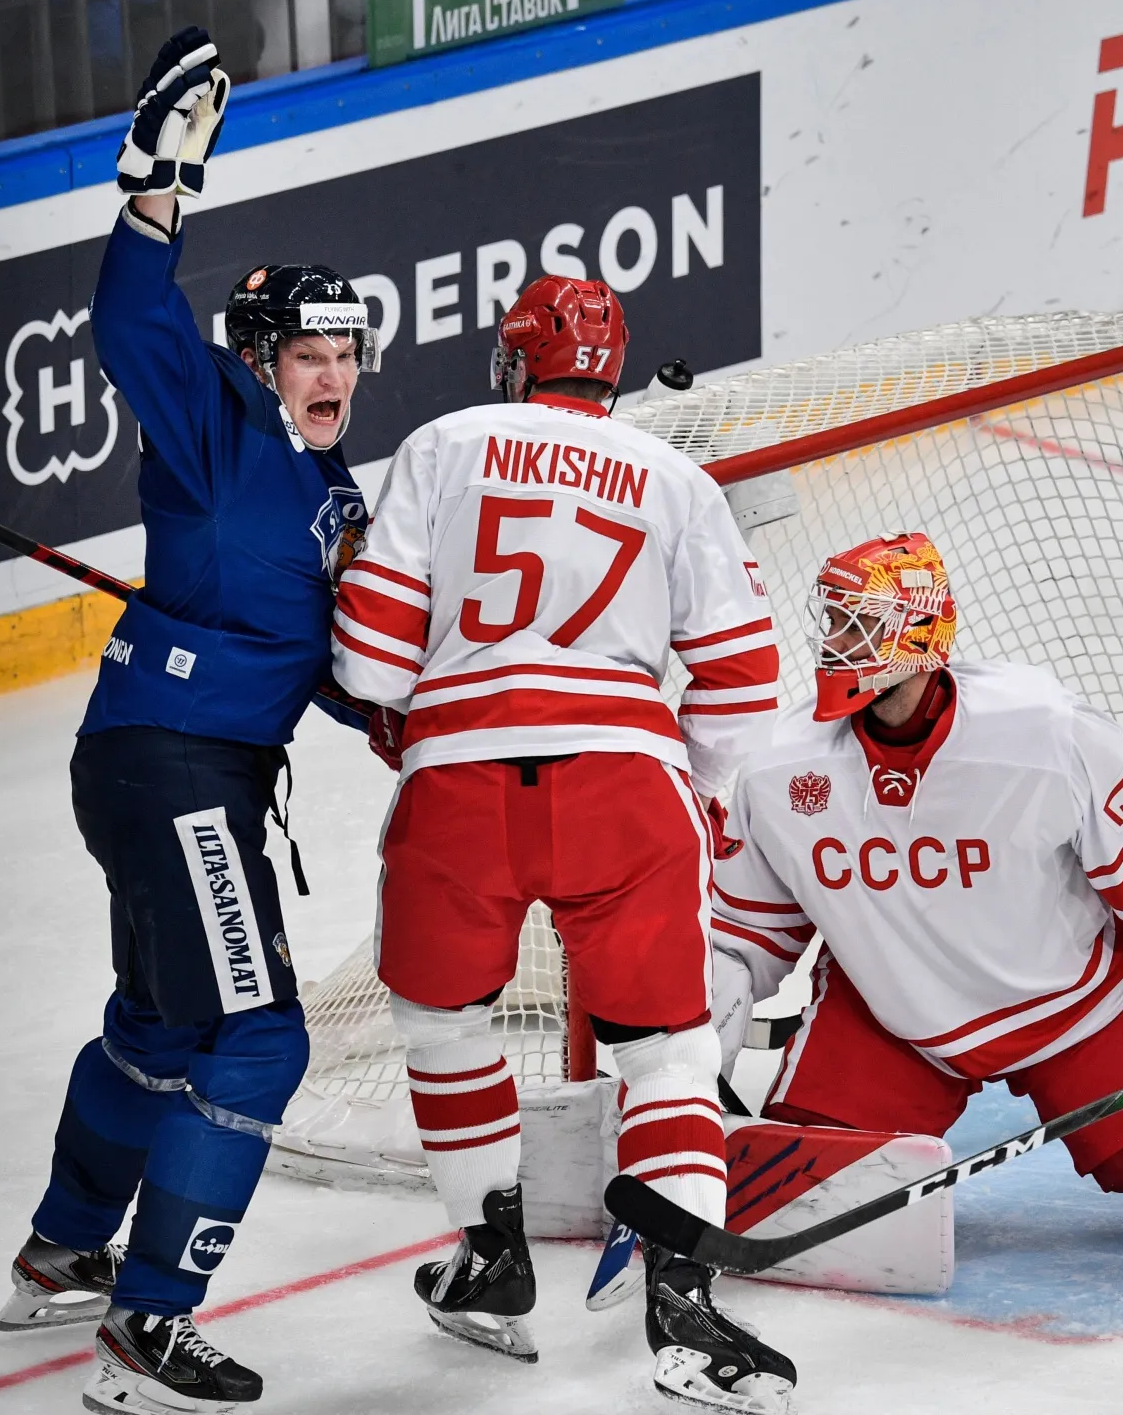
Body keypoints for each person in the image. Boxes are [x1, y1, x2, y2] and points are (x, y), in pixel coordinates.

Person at [0, 27, 381, 1415]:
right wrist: (158, 187)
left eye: (350, 348)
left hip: (172, 767)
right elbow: (130, 317)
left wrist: (398, 713)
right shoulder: (215, 419)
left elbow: (347, 671)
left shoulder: (340, 504)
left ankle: (61, 1252)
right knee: (262, 1038)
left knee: (163, 1032)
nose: (333, 370)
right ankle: (150, 1327)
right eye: (309, 348)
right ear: (261, 355)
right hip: (175, 772)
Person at [328, 275, 792, 1412]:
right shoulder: (674, 476)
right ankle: (684, 1307)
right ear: (611, 370)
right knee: (669, 1051)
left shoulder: (443, 443)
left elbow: (371, 667)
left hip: (458, 788)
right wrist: (704, 799)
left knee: (441, 1022)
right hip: (623, 786)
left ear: (511, 360)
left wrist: (404, 708)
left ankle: (489, 1259)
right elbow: (741, 682)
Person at [707, 531, 1123, 1270]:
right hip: (891, 1019)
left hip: (1073, 1008)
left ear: (918, 631)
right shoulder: (779, 768)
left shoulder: (1045, 733)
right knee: (799, 1198)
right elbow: (740, 941)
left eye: (857, 621)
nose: (835, 642)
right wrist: (687, 1067)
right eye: (832, 620)